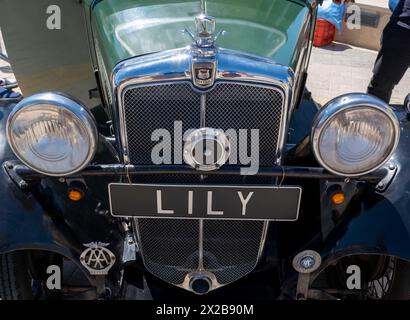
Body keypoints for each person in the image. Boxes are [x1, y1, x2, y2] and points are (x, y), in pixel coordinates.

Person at [367, 0, 410, 104]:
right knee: (381, 87)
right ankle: (373, 118)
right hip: (402, 31)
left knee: (381, 87)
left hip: (401, 30)